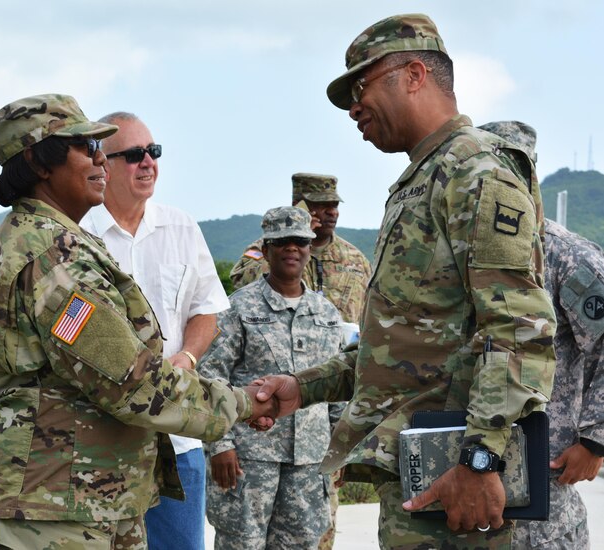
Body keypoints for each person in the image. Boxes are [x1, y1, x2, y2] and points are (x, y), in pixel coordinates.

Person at [252, 14, 556, 549]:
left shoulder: (475, 172)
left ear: (414, 74)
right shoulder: (422, 179)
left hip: (456, 478)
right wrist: (304, 388)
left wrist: (481, 458)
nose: (353, 107)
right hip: (423, 471)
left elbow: (519, 327)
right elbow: (404, 345)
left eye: (361, 86)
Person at [0, 94, 275, 550]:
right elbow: (132, 382)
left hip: (88, 491)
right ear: (39, 163)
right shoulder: (54, 259)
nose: (99, 160)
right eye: (85, 147)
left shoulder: (52, 240)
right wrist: (245, 403)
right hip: (64, 502)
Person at [80, 111, 226, 550]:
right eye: (133, 155)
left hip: (175, 441)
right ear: (102, 164)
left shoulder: (181, 227)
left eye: (153, 152)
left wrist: (188, 358)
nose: (148, 163)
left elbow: (207, 310)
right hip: (101, 443)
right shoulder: (78, 233)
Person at [476, 121, 604, 550]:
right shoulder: (459, 255)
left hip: (546, 477)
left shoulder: (566, 256)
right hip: (468, 470)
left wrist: (595, 439)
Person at [230, 173, 370, 549]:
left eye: (334, 205)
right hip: (257, 443)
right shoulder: (260, 261)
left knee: (315, 535)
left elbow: (349, 359)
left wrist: (341, 444)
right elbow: (244, 292)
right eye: (319, 206)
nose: (329, 214)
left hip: (313, 441)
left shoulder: (355, 262)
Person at [199, 206, 343, 549]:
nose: (292, 248)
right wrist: (219, 445)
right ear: (266, 250)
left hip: (310, 459)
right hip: (248, 460)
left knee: (302, 543)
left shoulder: (326, 313)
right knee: (241, 543)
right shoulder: (239, 308)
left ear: (310, 249)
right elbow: (210, 376)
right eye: (282, 242)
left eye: (299, 241)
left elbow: (338, 388)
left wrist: (340, 451)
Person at [229, 173, 371, 324]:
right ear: (298, 205)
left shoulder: (355, 258)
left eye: (335, 205)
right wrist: (297, 232)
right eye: (323, 204)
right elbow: (243, 281)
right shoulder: (267, 247)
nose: (332, 212)